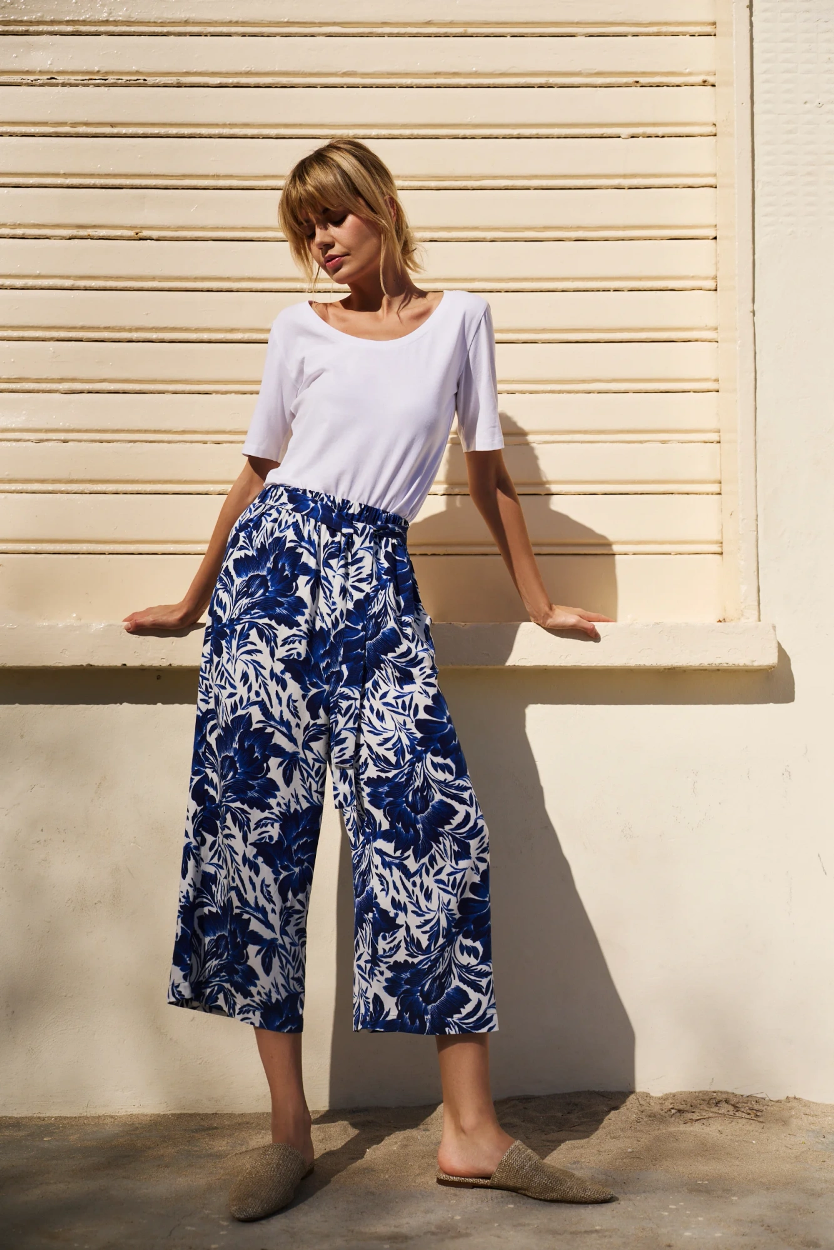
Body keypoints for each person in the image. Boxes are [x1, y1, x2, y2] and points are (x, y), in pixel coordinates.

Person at [124, 138, 614, 1221]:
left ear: (381, 207)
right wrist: (196, 598)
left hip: (378, 585)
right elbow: (258, 470)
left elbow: (486, 475)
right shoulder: (297, 330)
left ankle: (472, 1133)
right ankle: (288, 1133)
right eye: (304, 227)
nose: (321, 241)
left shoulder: (462, 319)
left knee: (435, 833)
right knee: (257, 837)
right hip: (270, 578)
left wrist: (539, 602)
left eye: (334, 217)